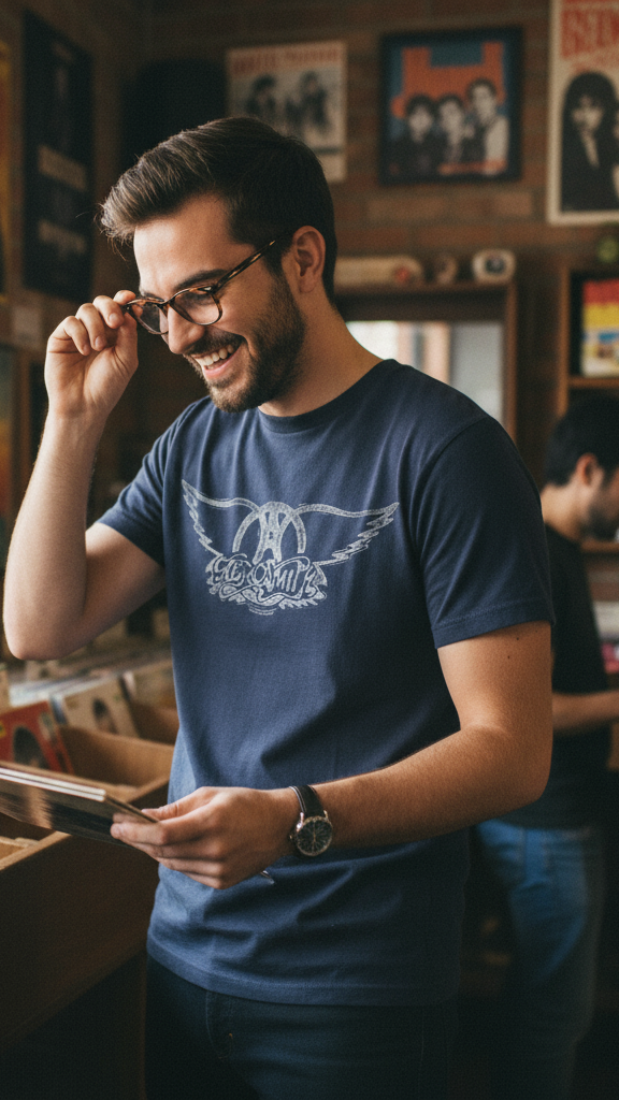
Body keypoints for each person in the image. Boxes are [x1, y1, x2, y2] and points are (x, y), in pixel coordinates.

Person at [3, 116, 554, 1100]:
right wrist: (72, 420)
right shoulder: (189, 450)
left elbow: (511, 748)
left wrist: (300, 819)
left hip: (359, 991)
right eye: (158, 306)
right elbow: (37, 626)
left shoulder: (446, 450)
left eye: (202, 293)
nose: (178, 336)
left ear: (302, 256)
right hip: (181, 953)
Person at [477, 395, 619, 1100]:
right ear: (590, 470)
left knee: (550, 1009)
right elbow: (525, 710)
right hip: (544, 824)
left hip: (554, 815)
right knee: (552, 1016)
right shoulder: (531, 548)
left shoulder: (556, 548)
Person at [561, 71, 619, 213]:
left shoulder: (610, 145)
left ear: (606, 109)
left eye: (593, 107)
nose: (584, 117)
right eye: (578, 107)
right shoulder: (565, 151)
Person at [386, 94, 442, 180]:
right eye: (416, 114)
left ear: (432, 119)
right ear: (407, 118)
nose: (421, 119)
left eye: (426, 114)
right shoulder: (396, 146)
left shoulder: (439, 144)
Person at [467, 78, 510, 175]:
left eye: (483, 97)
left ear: (494, 99)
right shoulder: (469, 130)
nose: (478, 103)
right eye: (475, 98)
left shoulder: (504, 127)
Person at [435, 93, 483, 174]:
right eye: (442, 115)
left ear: (463, 114)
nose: (447, 118)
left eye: (451, 112)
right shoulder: (436, 147)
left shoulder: (475, 144)